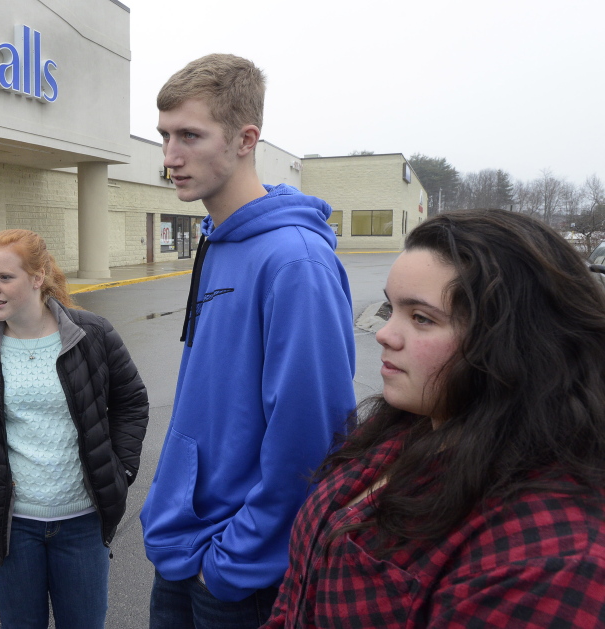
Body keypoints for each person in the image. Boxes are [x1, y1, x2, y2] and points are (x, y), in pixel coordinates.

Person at [263, 209, 605, 628]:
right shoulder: (406, 425)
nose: (385, 333)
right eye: (392, 309)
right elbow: (299, 592)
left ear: (515, 342)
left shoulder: (551, 558)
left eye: (422, 318)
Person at [139, 53, 357, 628]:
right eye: (164, 136)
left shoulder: (295, 261)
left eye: (190, 135)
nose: (170, 157)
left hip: (237, 573)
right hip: (183, 549)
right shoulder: (216, 239)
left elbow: (312, 437)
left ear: (245, 139)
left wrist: (237, 560)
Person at [0, 229, 149, 629]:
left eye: (5, 278)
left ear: (37, 277)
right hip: (11, 525)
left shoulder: (93, 335)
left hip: (83, 521)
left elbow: (131, 402)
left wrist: (119, 471)